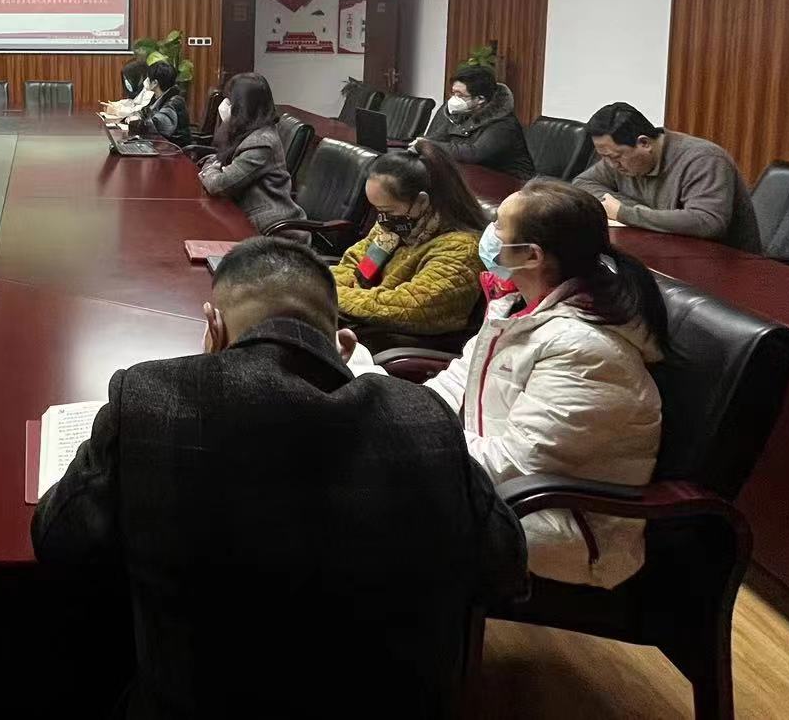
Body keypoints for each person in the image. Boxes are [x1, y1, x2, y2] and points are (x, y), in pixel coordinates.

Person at [33, 237, 526, 718]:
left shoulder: (149, 396)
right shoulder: (423, 415)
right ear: (344, 345)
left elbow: (60, 540)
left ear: (213, 329)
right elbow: (503, 566)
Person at [426, 179, 666, 587]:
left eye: (498, 227)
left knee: (373, 504)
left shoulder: (587, 351)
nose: (488, 234)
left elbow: (515, 466)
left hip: (561, 524)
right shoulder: (516, 308)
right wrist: (397, 413)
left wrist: (414, 442)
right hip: (499, 489)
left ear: (531, 255)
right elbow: (455, 385)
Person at [333, 142, 489, 348]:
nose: (382, 219)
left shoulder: (462, 249)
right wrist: (327, 286)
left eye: (388, 211)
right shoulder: (395, 227)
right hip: (363, 322)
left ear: (422, 201)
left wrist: (330, 294)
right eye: (377, 210)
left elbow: (411, 306)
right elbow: (355, 265)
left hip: (398, 341)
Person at [574, 102, 761, 252]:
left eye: (615, 157)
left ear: (644, 143)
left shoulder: (703, 160)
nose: (611, 164)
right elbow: (583, 183)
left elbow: (708, 221)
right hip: (664, 250)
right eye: (604, 157)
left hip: (723, 264)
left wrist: (625, 213)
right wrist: (636, 211)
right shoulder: (619, 158)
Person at [196, 72, 304, 232]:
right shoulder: (248, 131)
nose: (224, 105)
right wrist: (215, 167)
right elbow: (218, 160)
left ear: (243, 107)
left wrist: (210, 170)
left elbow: (219, 184)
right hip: (242, 216)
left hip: (272, 231)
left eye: (229, 101)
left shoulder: (261, 142)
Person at [418, 63, 535, 179]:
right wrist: (421, 143)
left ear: (480, 99)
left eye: (460, 95)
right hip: (474, 174)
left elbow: (474, 154)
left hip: (511, 181)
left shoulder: (503, 124)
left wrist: (429, 145)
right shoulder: (458, 112)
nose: (454, 100)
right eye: (453, 93)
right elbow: (438, 136)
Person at [126, 59, 191, 141]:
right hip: (159, 143)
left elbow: (156, 126)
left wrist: (135, 123)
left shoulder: (174, 102)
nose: (145, 81)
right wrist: (136, 116)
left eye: (148, 78)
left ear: (155, 83)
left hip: (173, 146)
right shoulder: (158, 97)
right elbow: (144, 112)